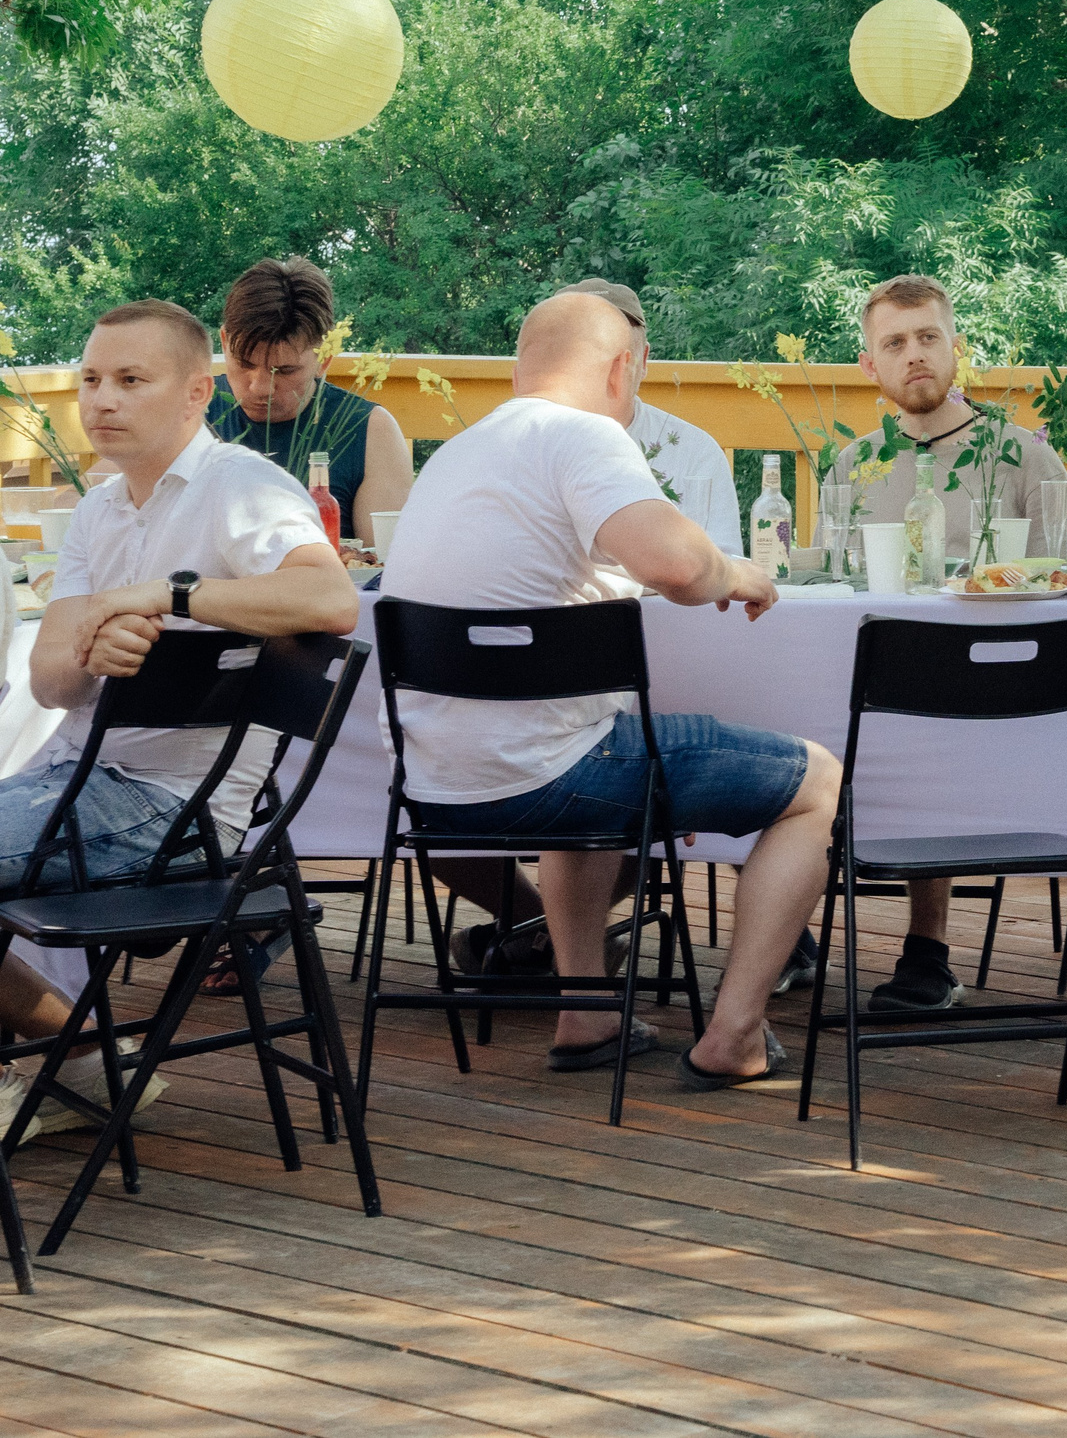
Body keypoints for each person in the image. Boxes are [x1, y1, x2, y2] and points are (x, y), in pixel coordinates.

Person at [380, 290, 841, 1086]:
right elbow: (676, 566)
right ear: (623, 369)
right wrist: (736, 572)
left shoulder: (458, 452)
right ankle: (734, 1034)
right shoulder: (584, 434)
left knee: (587, 726)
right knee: (818, 785)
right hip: (552, 775)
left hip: (436, 786)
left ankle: (586, 1011)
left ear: (521, 368)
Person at [0, 299, 361, 1124]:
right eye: (92, 380)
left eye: (132, 380)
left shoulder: (240, 484)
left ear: (198, 393)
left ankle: (68, 1066)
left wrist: (177, 595)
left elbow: (331, 597)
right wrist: (91, 650)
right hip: (76, 779)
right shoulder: (98, 507)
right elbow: (53, 680)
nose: (103, 400)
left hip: (176, 810)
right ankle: (86, 1057)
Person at [825, 273, 1067, 1013]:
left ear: (955, 347)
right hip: (879, 691)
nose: (916, 355)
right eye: (895, 343)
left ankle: (927, 948)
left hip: (1008, 703)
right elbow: (832, 590)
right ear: (870, 365)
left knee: (921, 719)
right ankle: (788, 936)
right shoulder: (852, 466)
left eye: (929, 337)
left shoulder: (1023, 455)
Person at [208, 257, 413, 549]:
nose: (259, 387)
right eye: (243, 363)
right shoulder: (187, 413)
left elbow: (382, 566)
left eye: (285, 370)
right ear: (225, 341)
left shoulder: (370, 432)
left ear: (324, 358)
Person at [564, 279, 742, 556]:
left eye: (618, 358)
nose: (603, 372)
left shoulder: (695, 452)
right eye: (583, 355)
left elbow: (725, 560)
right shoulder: (519, 448)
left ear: (643, 360)